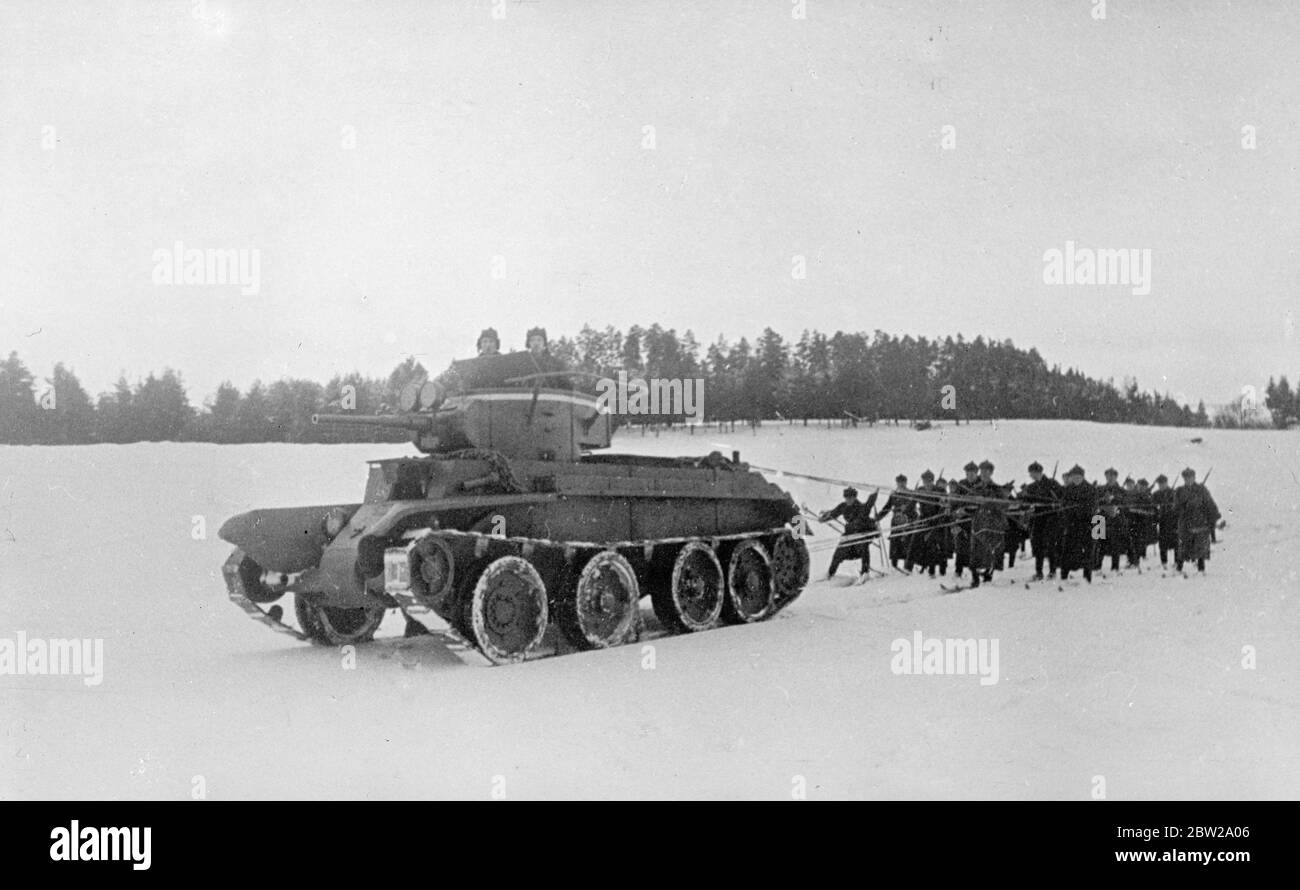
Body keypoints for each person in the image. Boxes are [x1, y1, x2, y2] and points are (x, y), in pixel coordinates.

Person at [820, 487, 878, 578]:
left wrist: (874, 494)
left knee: (863, 547)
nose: (848, 500)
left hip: (862, 532)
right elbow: (834, 513)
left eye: (850, 498)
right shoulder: (843, 506)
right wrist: (824, 518)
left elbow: (869, 504)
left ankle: (865, 573)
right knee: (839, 552)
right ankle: (830, 574)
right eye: (846, 498)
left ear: (855, 498)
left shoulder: (861, 507)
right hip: (850, 534)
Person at [1174, 468, 1221, 574]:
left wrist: (1214, 516)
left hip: (1200, 521)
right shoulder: (1179, 491)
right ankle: (1179, 568)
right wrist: (1184, 506)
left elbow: (1209, 503)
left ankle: (1201, 569)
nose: (1188, 480)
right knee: (1184, 546)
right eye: (1186, 478)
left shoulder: (1202, 489)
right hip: (1185, 522)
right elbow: (1175, 507)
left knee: (1201, 546)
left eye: (1190, 477)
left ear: (1194, 477)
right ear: (1184, 479)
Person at [1022, 461, 1064, 580]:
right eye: (1031, 474)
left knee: (1050, 545)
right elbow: (1026, 502)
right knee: (1037, 545)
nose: (1032, 476)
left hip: (1051, 518)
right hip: (1037, 518)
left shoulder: (1052, 484)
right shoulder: (1031, 487)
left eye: (1033, 473)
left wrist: (1057, 504)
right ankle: (1039, 572)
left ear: (1039, 472)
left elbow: (1062, 497)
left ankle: (1052, 571)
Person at [1058, 465, 1097, 583]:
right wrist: (1067, 512)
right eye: (1074, 477)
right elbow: (1063, 505)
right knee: (1067, 551)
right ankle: (1064, 576)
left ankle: (1087, 576)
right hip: (1071, 525)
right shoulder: (1068, 489)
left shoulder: (1090, 489)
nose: (1076, 479)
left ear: (1082, 477)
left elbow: (1093, 506)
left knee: (1087, 552)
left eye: (1078, 477)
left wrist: (1079, 509)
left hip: (1087, 525)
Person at [877, 474, 918, 571]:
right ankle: (894, 566)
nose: (901, 484)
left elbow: (914, 505)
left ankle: (908, 567)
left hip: (908, 520)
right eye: (899, 482)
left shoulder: (911, 494)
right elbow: (887, 507)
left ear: (906, 482)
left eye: (903, 482)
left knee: (907, 543)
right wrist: (878, 517)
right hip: (896, 521)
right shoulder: (894, 494)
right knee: (895, 542)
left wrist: (908, 509)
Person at [911, 470, 947, 577]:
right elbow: (912, 503)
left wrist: (939, 515)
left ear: (932, 481)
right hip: (925, 520)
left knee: (940, 546)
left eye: (929, 481)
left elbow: (944, 505)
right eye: (925, 481)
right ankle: (930, 570)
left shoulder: (940, 490)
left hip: (939, 520)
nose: (927, 484)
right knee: (926, 545)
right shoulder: (920, 490)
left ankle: (942, 569)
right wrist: (905, 512)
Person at [1095, 468, 1128, 573]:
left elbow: (1126, 504)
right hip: (1100, 518)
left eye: (1112, 476)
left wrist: (1115, 500)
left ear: (1116, 477)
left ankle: (1114, 567)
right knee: (1098, 544)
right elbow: (1094, 501)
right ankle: (1096, 566)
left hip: (1116, 520)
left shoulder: (1121, 490)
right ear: (1105, 477)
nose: (1110, 478)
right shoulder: (1100, 489)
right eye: (1108, 476)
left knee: (1115, 544)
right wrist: (1103, 500)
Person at [1126, 478, 1155, 568]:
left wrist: (1140, 511)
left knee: (1138, 543)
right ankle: (1131, 561)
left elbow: (1153, 511)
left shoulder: (1148, 497)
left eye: (1143, 486)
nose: (1141, 488)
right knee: (1130, 542)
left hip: (1143, 523)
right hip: (1131, 522)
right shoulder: (1133, 495)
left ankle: (1135, 561)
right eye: (1139, 486)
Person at [1152, 474, 1179, 569]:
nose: (1161, 485)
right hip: (1162, 521)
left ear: (1166, 483)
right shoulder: (1155, 494)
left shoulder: (1173, 492)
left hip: (1173, 521)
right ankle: (1164, 562)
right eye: (1159, 484)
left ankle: (1177, 562)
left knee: (1176, 542)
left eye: (1163, 483)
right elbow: (1153, 507)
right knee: (1163, 543)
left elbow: (1177, 506)